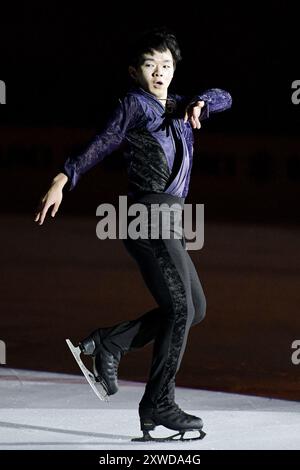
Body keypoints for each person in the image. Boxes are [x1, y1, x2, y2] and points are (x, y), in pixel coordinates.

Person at [34, 27, 232, 442]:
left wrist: (203, 101)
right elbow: (105, 139)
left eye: (166, 65)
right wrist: (63, 176)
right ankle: (159, 402)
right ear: (133, 71)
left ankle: (109, 344)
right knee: (180, 309)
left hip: (169, 219)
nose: (158, 72)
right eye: (149, 64)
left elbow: (225, 95)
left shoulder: (181, 107)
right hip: (149, 214)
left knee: (193, 308)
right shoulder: (135, 104)